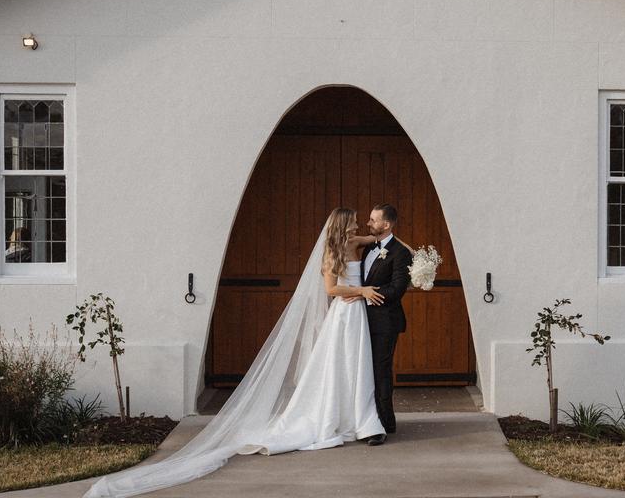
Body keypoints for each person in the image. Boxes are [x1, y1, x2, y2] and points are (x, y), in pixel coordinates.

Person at [82, 208, 387, 498]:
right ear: (343, 224)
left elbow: (379, 239)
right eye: (355, 221)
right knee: (336, 367)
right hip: (344, 315)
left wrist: (397, 243)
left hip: (357, 315)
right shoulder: (331, 254)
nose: (360, 225)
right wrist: (361, 291)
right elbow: (332, 290)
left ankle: (358, 417)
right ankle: (332, 416)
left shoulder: (353, 242)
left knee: (356, 366)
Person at [346, 203, 412, 443]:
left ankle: (382, 425)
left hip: (385, 322)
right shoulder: (369, 248)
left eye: (373, 220)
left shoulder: (400, 253)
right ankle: (368, 420)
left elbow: (396, 289)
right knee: (365, 370)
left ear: (386, 224)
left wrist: (368, 292)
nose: (368, 223)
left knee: (380, 371)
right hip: (362, 321)